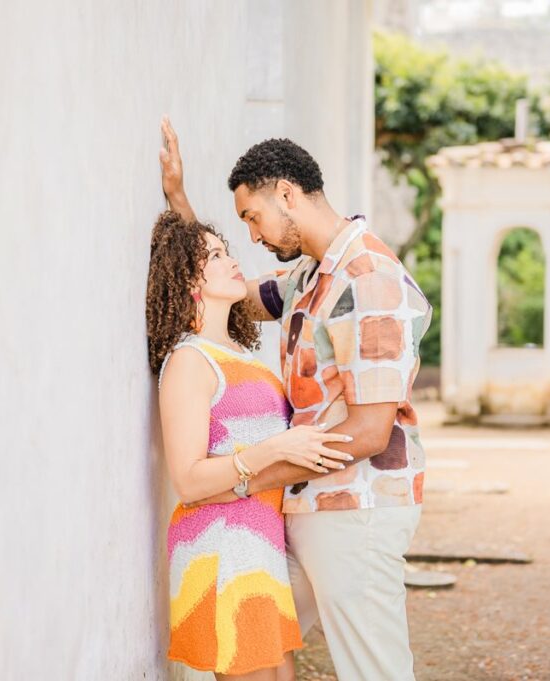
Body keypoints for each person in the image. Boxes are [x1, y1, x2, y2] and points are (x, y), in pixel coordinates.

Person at [159, 117, 432, 681]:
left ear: (286, 195)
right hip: (306, 508)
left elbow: (369, 432)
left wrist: (243, 476)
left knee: (373, 670)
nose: (253, 237)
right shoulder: (311, 276)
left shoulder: (367, 276)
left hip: (356, 509)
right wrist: (180, 204)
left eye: (252, 217)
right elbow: (220, 293)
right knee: (256, 653)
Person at [146, 210, 354, 681]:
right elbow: (187, 479)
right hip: (221, 548)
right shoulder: (189, 360)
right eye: (215, 256)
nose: (232, 260)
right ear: (188, 281)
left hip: (259, 544)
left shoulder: (241, 356)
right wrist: (276, 449)